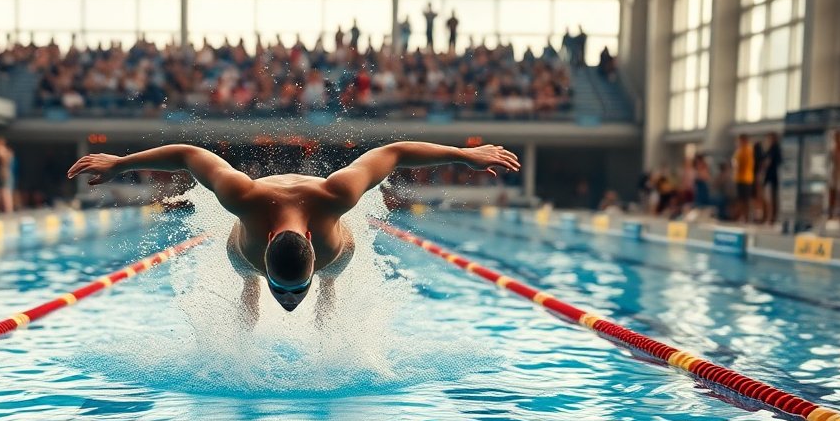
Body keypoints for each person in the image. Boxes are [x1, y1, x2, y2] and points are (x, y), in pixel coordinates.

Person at [68, 141, 519, 318]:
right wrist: (120, 162)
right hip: (249, 255)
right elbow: (188, 155)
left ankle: (325, 291)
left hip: (326, 254)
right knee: (245, 274)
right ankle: (251, 283)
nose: (288, 305)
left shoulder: (335, 196)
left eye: (290, 293)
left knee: (335, 268)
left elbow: (396, 152)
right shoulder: (241, 197)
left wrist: (465, 154)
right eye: (286, 293)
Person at [758, 132, 782, 224]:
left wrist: (763, 168)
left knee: (770, 198)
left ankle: (771, 218)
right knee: (769, 198)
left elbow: (767, 163)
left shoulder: (774, 149)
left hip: (771, 177)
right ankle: (769, 217)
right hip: (770, 177)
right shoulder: (771, 149)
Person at [733, 134, 755, 224]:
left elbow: (739, 163)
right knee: (741, 199)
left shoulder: (747, 150)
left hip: (746, 178)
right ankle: (742, 216)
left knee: (745, 200)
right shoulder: (740, 150)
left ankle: (746, 217)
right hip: (740, 178)